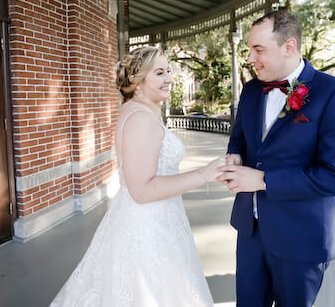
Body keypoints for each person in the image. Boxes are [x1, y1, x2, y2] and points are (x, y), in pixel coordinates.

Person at [50, 46, 223, 307]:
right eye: (160, 73)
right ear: (136, 79)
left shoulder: (141, 110)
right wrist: (204, 174)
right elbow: (142, 191)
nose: (169, 78)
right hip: (148, 226)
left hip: (159, 218)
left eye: (169, 71)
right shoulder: (140, 118)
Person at [216, 10, 335, 306]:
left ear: (288, 47)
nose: (251, 58)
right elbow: (239, 138)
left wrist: (263, 180)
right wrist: (234, 157)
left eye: (258, 50)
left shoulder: (334, 93)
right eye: (249, 50)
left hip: (301, 239)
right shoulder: (252, 89)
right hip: (250, 231)